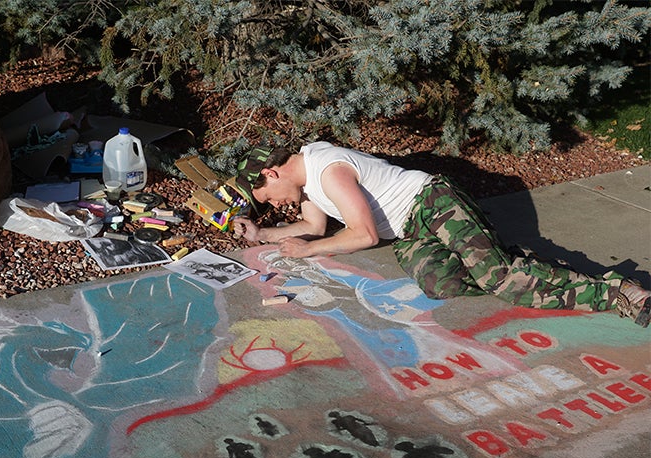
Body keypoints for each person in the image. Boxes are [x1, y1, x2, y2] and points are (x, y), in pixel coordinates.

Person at [232, 143, 651, 327]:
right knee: (442, 283)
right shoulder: (308, 182)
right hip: (411, 230)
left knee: (498, 280)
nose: (275, 204)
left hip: (433, 202)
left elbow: (363, 236)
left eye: (268, 197)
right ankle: (506, 263)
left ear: (271, 173)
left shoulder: (328, 170)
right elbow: (314, 227)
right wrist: (262, 234)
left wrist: (309, 252)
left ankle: (617, 293)